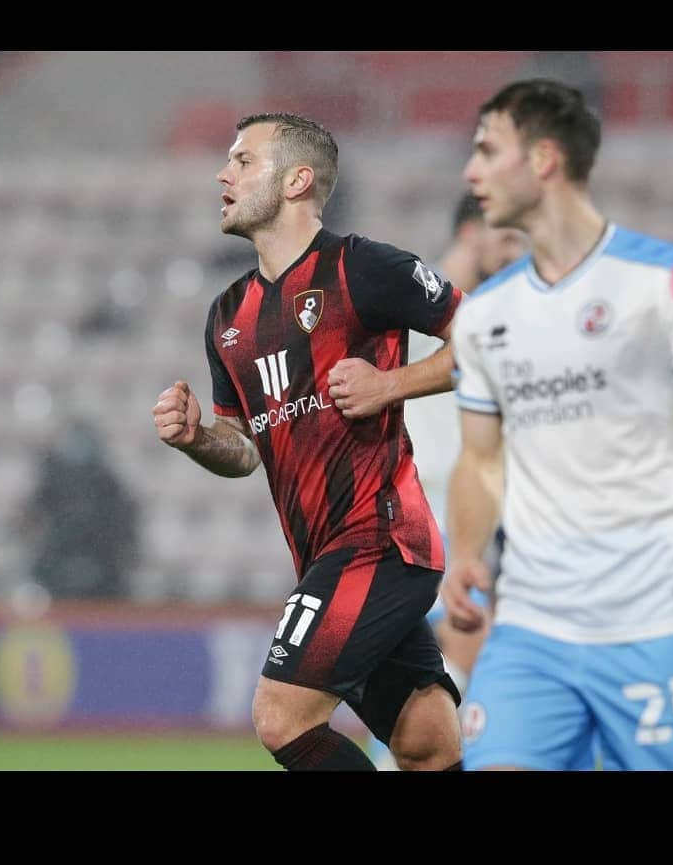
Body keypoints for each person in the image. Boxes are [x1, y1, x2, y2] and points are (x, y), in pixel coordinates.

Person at [443, 79, 673, 771]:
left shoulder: (667, 282)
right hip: (531, 627)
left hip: (653, 621)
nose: (472, 170)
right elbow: (482, 460)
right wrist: (464, 551)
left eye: (488, 150)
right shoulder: (486, 314)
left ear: (544, 159)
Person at [152, 112, 464, 771]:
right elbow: (244, 451)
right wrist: (197, 437)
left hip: (380, 538)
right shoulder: (227, 318)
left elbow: (491, 339)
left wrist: (391, 385)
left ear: (297, 180)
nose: (223, 173)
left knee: (281, 717)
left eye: (242, 161)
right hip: (325, 552)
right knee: (425, 743)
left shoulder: (362, 269)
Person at [369, 194, 527, 770]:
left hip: (465, 510)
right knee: (463, 649)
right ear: (469, 231)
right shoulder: (417, 308)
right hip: (422, 510)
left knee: (439, 674)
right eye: (505, 238)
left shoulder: (492, 314)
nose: (515, 254)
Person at [22, 420, 139, 600]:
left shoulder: (110, 489)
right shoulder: (50, 486)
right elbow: (29, 523)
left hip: (104, 570)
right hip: (55, 567)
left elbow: (126, 534)